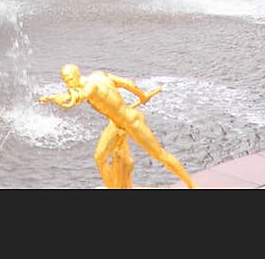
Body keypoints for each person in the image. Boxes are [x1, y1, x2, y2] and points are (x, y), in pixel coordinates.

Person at [40, 65, 198, 190]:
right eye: (64, 80)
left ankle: (192, 185)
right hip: (116, 124)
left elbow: (74, 98)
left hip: (131, 122)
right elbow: (127, 83)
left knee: (160, 154)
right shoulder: (99, 75)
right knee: (100, 157)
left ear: (76, 75)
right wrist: (141, 96)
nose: (67, 83)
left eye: (68, 79)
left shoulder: (90, 87)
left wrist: (54, 97)